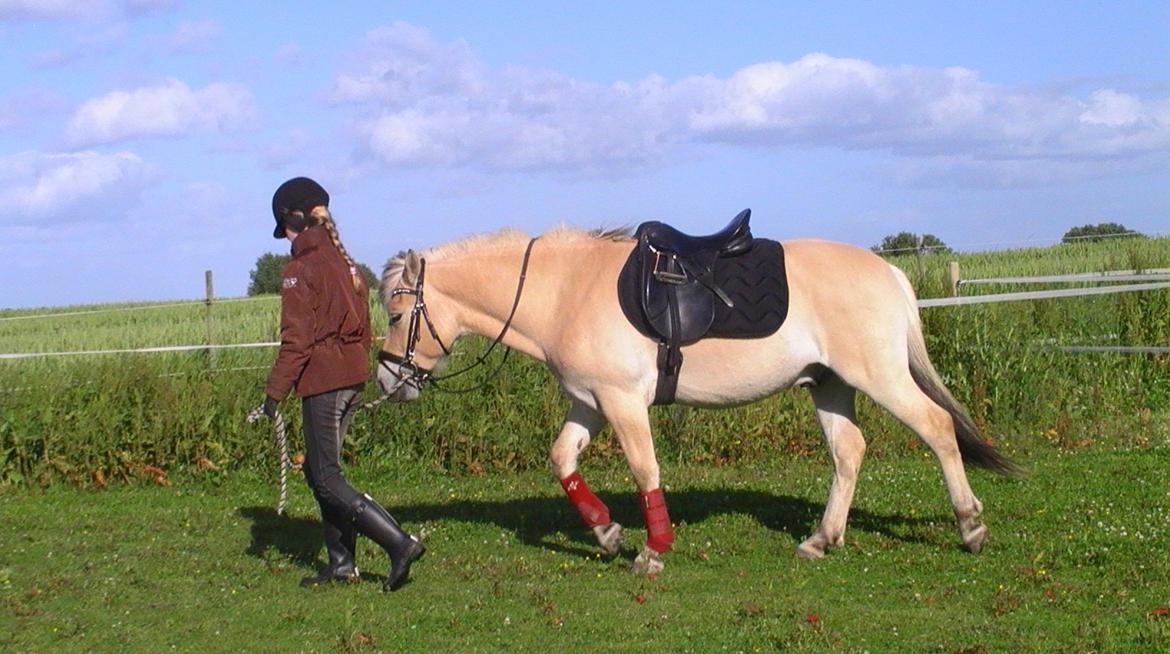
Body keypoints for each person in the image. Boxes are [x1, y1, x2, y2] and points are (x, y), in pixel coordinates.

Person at [263, 176, 424, 591]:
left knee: (327, 477)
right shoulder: (347, 264)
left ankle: (399, 544)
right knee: (320, 471)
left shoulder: (300, 270)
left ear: (294, 217)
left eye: (287, 229)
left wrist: (273, 392)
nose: (288, 239)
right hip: (352, 376)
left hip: (323, 379)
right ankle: (341, 563)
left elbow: (296, 341)